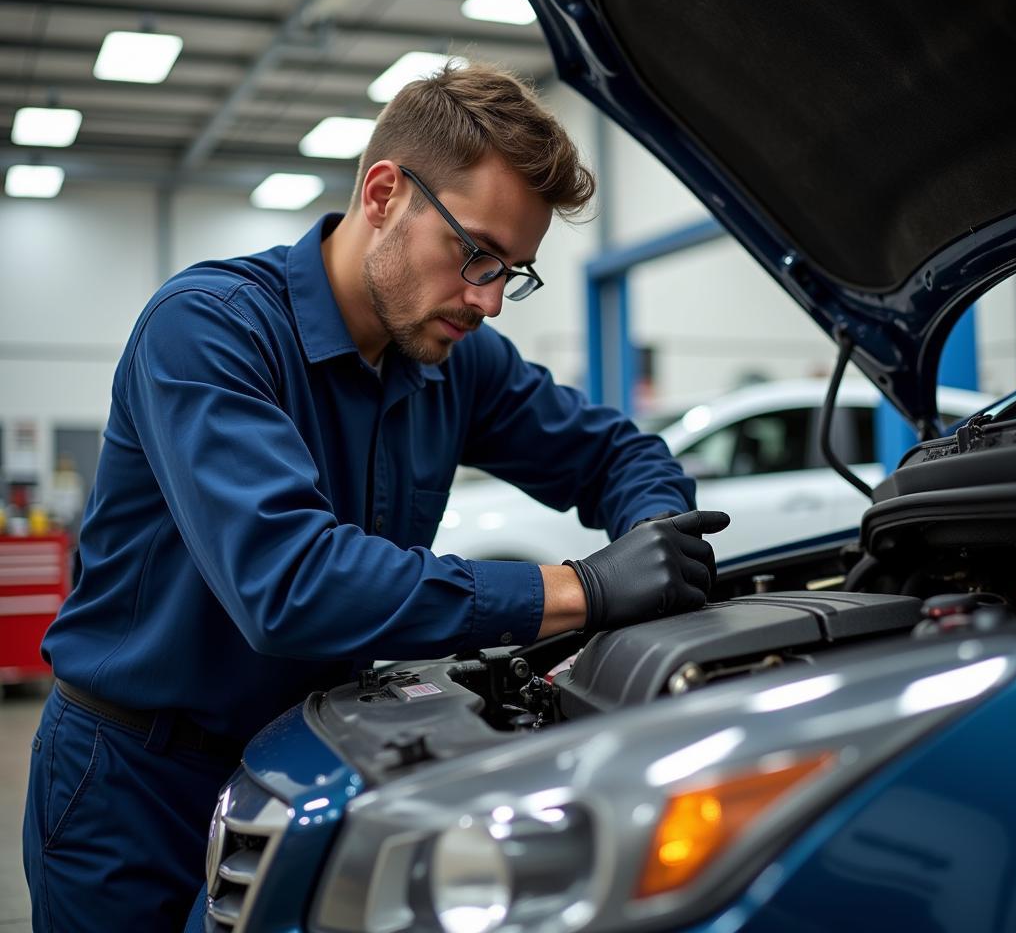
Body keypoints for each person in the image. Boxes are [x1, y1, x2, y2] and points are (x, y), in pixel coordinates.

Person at [22, 62, 727, 931]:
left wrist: (658, 541)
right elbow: (290, 585)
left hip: (312, 759)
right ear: (384, 193)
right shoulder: (208, 330)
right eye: (473, 253)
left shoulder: (454, 357)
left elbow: (616, 451)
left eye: (515, 271)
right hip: (135, 785)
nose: (489, 299)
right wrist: (584, 587)